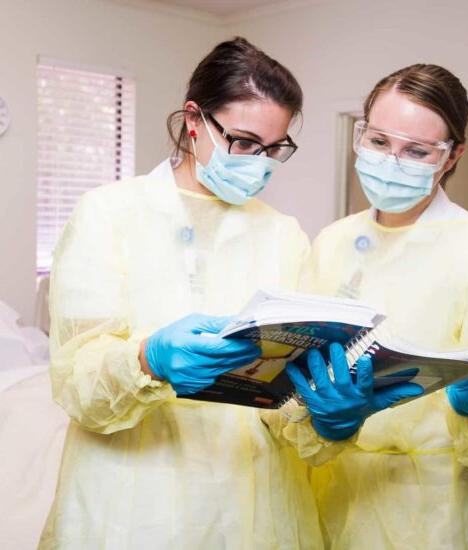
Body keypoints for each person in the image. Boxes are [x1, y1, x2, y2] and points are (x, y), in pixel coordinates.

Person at [39, 37, 323, 549]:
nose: (257, 162)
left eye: (273, 149)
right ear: (194, 119)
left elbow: (288, 391)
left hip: (252, 502)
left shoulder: (284, 234)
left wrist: (323, 405)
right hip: (130, 501)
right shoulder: (107, 214)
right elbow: (78, 386)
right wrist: (147, 360)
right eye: (242, 141)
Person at [265, 64, 468, 549]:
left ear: (451, 157)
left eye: (417, 151)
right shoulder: (333, 242)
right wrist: (323, 416)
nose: (391, 161)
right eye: (379, 142)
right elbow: (295, 372)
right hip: (328, 497)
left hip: (437, 513)